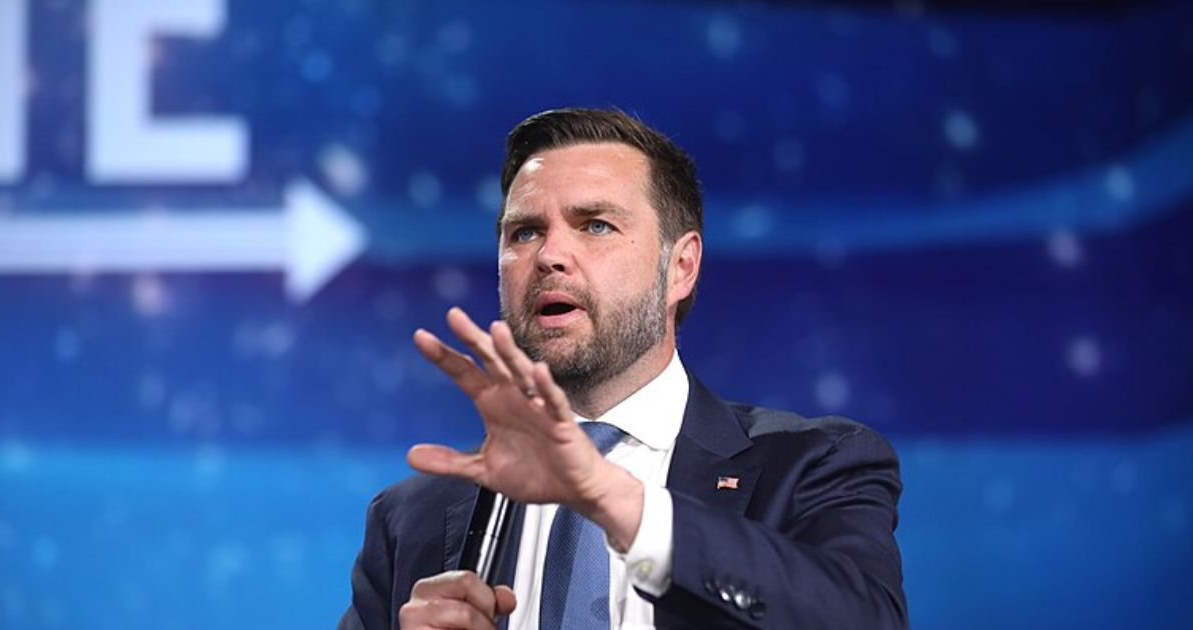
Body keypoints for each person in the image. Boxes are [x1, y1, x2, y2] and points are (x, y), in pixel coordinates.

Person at [338, 108, 907, 629]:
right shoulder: (410, 519)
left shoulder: (811, 466)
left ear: (680, 267)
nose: (549, 255)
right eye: (525, 232)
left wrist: (616, 500)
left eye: (596, 225)